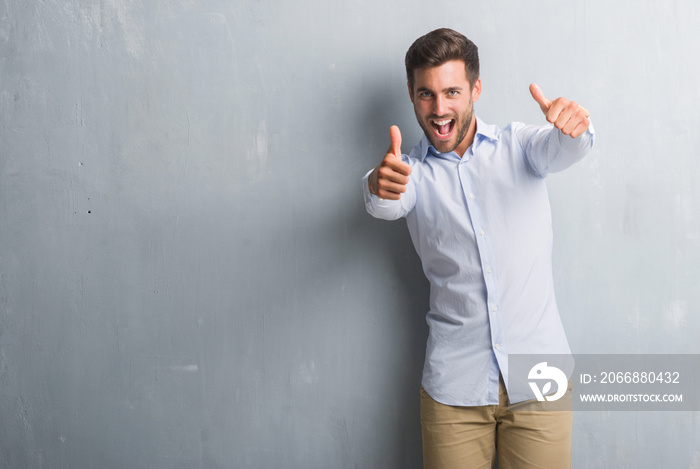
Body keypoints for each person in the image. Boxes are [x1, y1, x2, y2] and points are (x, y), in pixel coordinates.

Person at [361, 28, 595, 468]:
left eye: (452, 91)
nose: (439, 108)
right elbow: (385, 202)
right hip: (455, 394)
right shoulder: (409, 173)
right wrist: (379, 185)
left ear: (476, 89)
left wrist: (574, 127)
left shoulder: (521, 146)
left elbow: (566, 147)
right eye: (426, 94)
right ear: (411, 95)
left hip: (539, 385)